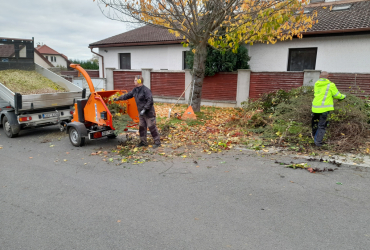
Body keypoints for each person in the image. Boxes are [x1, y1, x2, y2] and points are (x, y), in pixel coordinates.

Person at [114, 75, 161, 148]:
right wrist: (118, 98)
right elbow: (127, 95)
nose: (134, 81)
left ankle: (157, 142)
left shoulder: (146, 90)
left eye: (135, 80)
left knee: (152, 127)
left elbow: (150, 101)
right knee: (142, 127)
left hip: (149, 113)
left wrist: (145, 109)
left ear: (139, 81)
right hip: (141, 113)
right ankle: (143, 142)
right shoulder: (135, 90)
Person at [311, 71, 346, 147]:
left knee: (315, 124)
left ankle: (314, 138)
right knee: (322, 126)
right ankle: (318, 143)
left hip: (315, 108)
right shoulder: (331, 85)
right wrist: (343, 96)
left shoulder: (316, 84)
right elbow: (337, 95)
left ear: (320, 77)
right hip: (324, 109)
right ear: (327, 76)